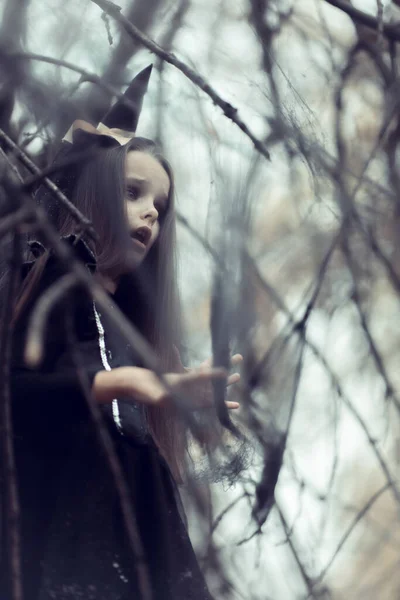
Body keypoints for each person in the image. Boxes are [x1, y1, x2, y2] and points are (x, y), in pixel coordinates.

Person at [0, 66, 242, 600]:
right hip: (68, 517)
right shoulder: (54, 282)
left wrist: (165, 389)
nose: (149, 216)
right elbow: (19, 394)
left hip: (134, 520)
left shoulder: (128, 321)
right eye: (133, 193)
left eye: (159, 207)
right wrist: (126, 383)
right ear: (87, 192)